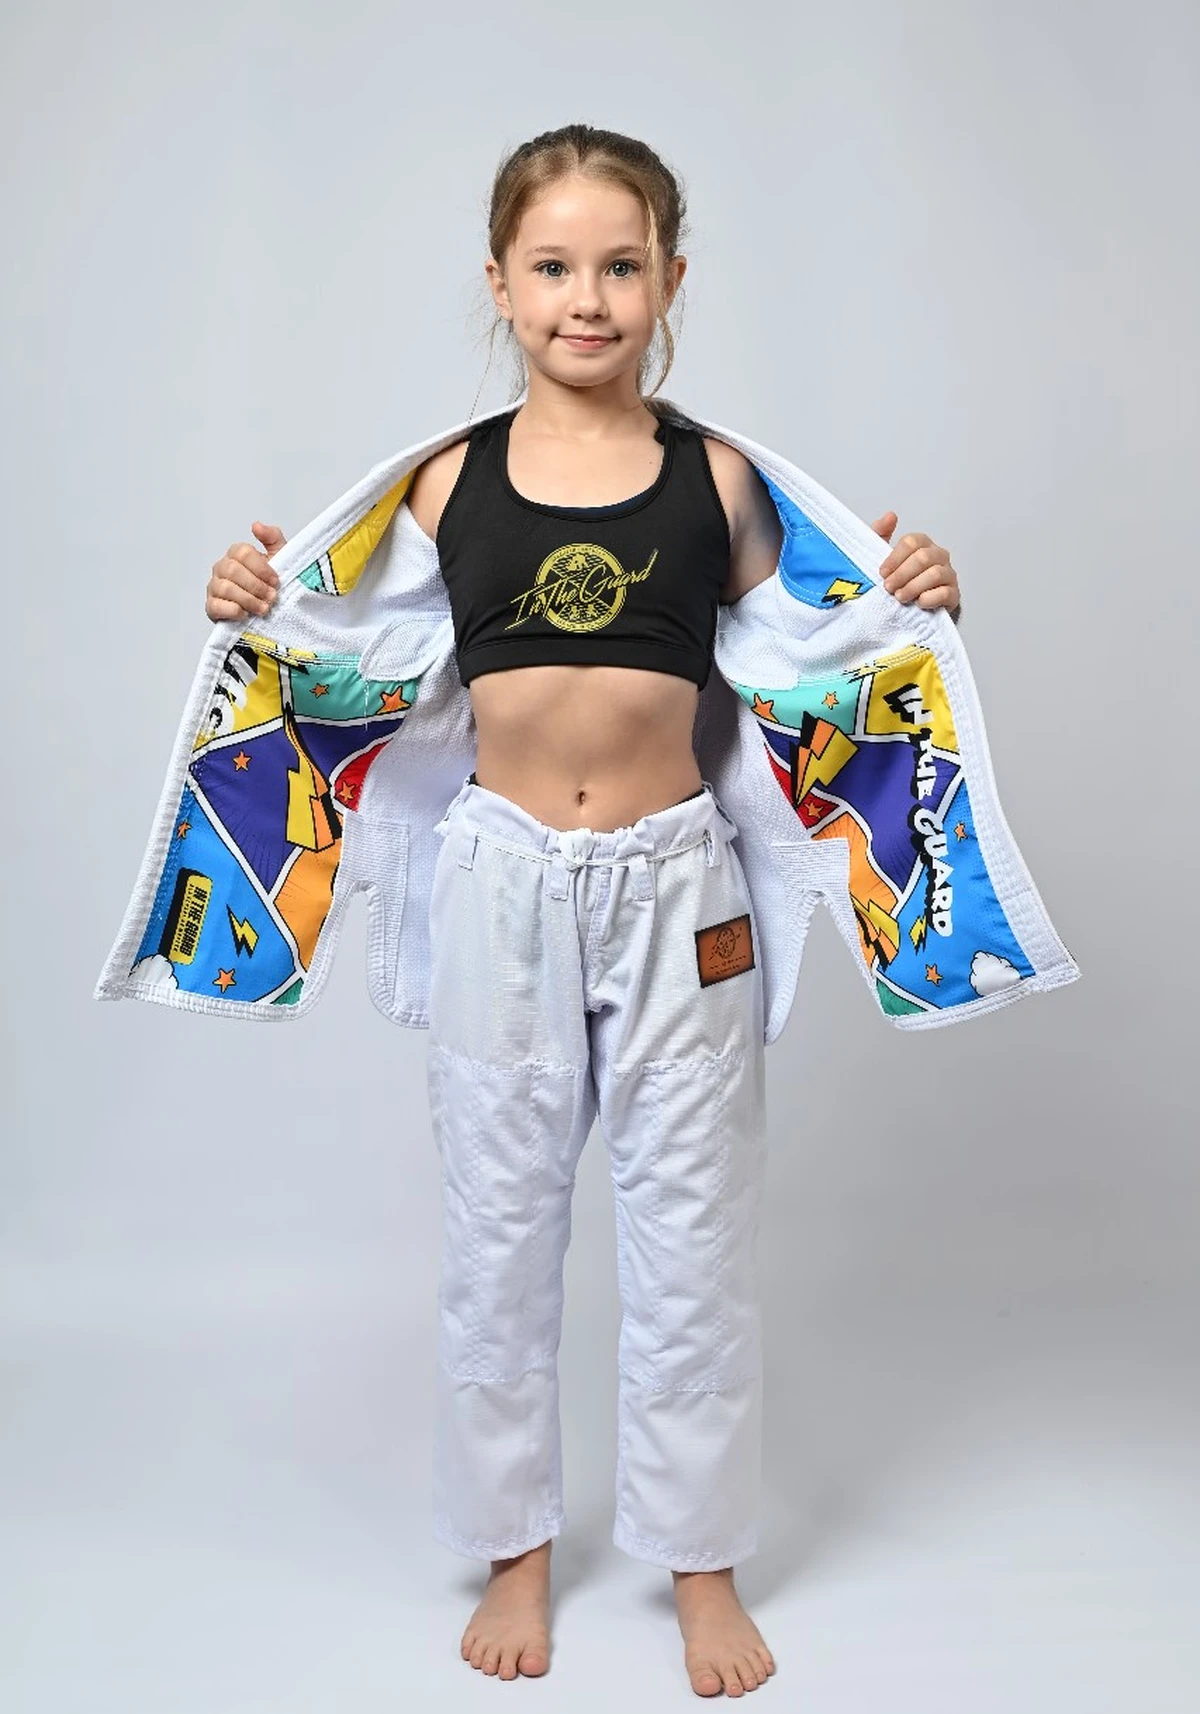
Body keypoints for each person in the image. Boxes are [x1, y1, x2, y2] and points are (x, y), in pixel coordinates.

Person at [202, 124, 962, 1699]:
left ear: (671, 280)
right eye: (552, 267)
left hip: (681, 888)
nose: (588, 298)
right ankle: (516, 1546)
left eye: (622, 266)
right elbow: (346, 647)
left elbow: (822, 649)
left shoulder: (718, 481)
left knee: (695, 1236)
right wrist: (254, 597)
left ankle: (702, 1562)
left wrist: (914, 596)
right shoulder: (450, 481)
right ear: (500, 284)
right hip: (504, 882)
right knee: (500, 1228)